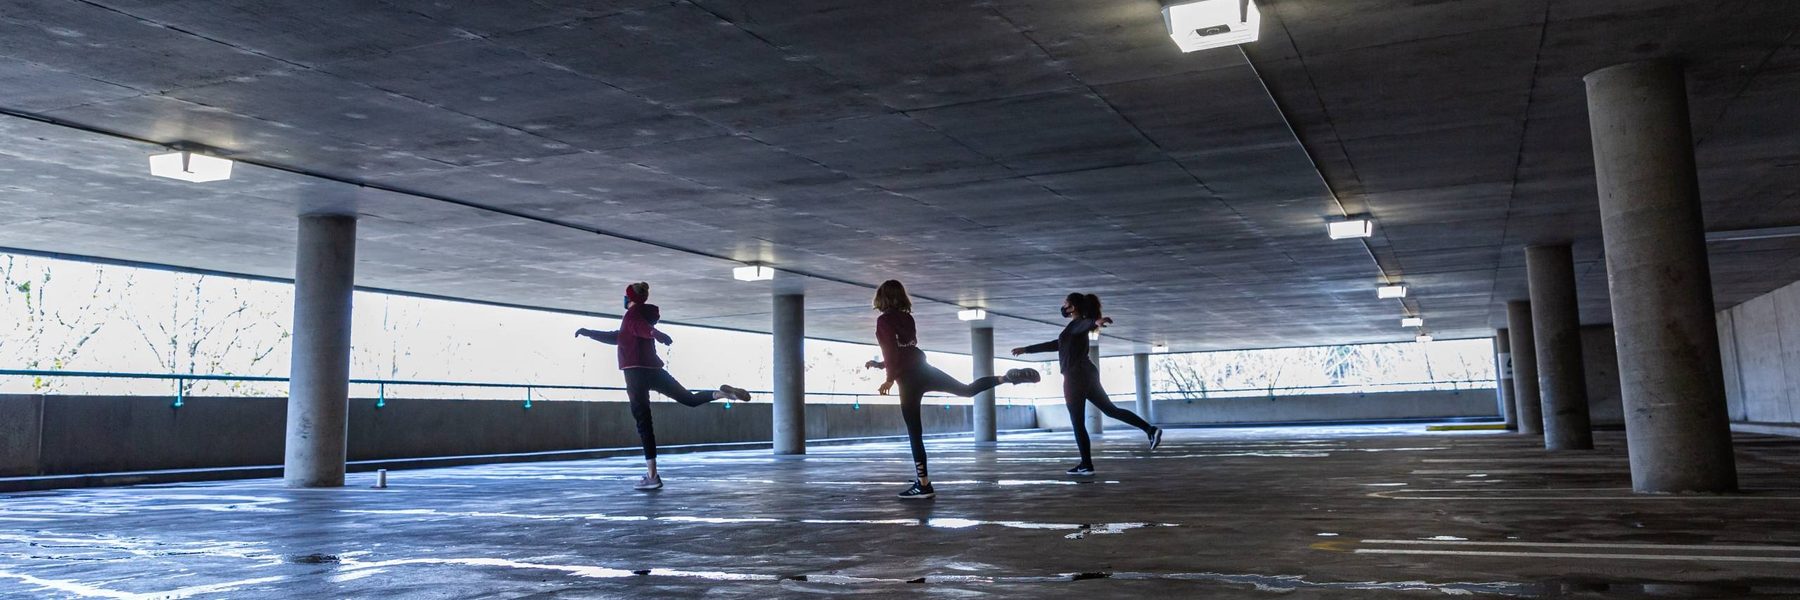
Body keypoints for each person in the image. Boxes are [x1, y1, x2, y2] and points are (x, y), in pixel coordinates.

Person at [863, 280, 1039, 499]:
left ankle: (923, 484)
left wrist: (888, 378)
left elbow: (891, 351)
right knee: (966, 390)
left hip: (908, 380)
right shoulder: (908, 318)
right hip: (924, 369)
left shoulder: (884, 321)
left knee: (915, 433)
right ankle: (1004, 378)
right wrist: (880, 365)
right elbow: (904, 350)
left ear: (882, 298)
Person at [576, 282, 752, 491]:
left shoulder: (632, 316)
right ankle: (721, 393)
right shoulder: (642, 316)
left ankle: (652, 476)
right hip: (654, 370)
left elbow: (640, 330)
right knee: (689, 398)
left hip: (635, 373)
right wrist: (590, 333)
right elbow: (620, 337)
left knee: (644, 422)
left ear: (629, 298)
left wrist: (656, 335)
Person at [1013, 292, 1162, 476]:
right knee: (1110, 410)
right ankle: (1150, 430)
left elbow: (1087, 324)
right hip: (1088, 374)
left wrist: (1096, 322)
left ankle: (1086, 464)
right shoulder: (1072, 328)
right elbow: (1057, 344)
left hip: (1075, 377)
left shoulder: (1078, 324)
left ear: (1073, 307)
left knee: (1077, 422)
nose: (1063, 306)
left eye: (1065, 303)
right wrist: (1027, 349)